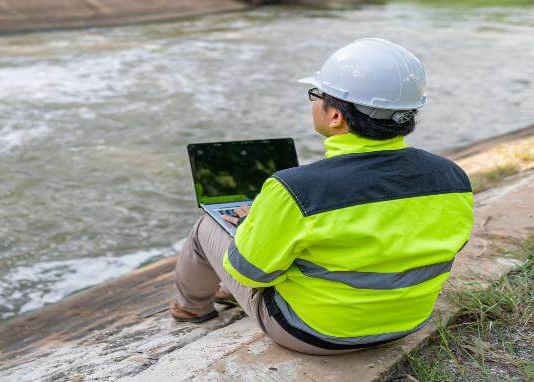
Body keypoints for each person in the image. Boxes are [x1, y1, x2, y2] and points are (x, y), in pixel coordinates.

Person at [169, 38, 473, 355]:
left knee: (207, 226)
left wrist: (254, 224)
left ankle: (191, 308)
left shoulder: (295, 189)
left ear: (336, 117)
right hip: (409, 322)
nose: (313, 102)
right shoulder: (452, 177)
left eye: (317, 95)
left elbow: (248, 272)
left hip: (314, 333)